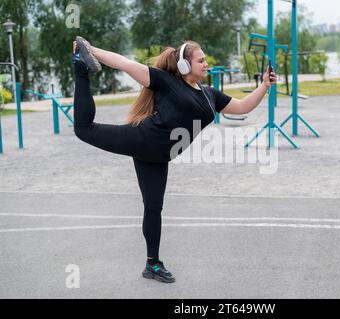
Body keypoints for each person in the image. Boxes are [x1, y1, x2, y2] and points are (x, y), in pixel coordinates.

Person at [72, 36, 276, 283]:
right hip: (142, 139)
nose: (206, 63)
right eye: (201, 60)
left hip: (158, 157)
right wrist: (90, 50)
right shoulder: (166, 82)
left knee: (153, 208)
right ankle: (80, 66)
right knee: (84, 129)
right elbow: (125, 64)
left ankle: (152, 265)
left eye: (205, 60)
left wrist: (264, 85)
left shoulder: (210, 95)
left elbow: (243, 106)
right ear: (184, 65)